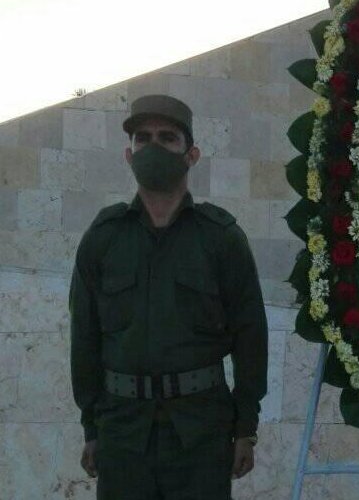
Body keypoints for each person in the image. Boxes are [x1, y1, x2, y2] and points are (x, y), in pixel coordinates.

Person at [69, 94, 268, 499]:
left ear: (191, 154)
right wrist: (91, 426)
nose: (153, 147)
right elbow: (84, 338)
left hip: (201, 432)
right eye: (143, 139)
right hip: (122, 432)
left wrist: (245, 427)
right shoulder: (104, 237)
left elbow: (251, 336)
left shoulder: (220, 237)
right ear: (129, 154)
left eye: (167, 137)